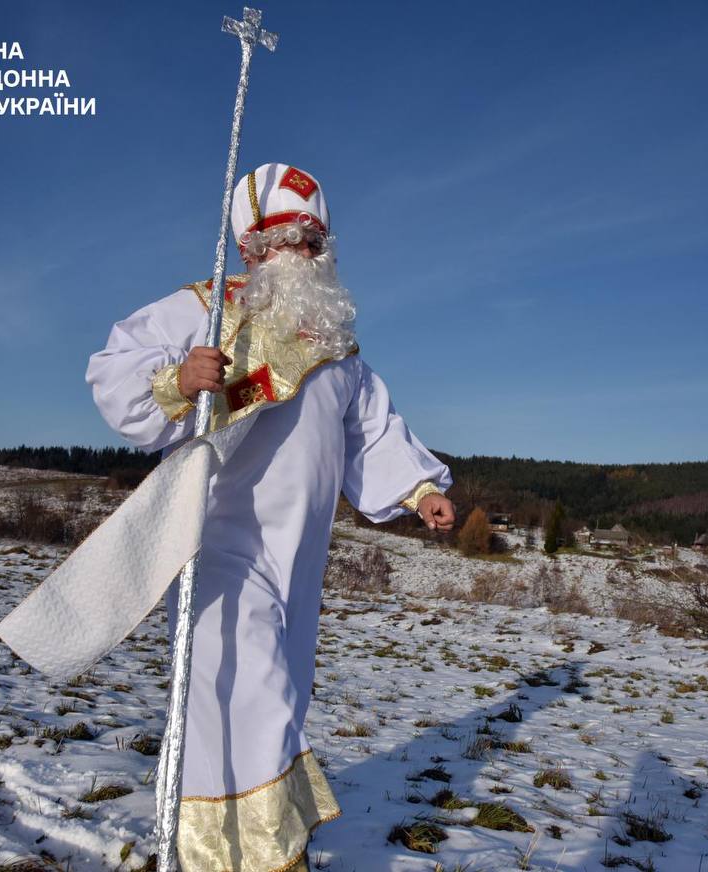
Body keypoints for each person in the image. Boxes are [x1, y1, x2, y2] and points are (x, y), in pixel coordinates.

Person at [85, 163, 455, 872]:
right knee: (241, 687)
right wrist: (177, 381)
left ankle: (257, 841)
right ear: (252, 248)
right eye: (289, 239)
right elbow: (114, 365)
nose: (306, 255)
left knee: (277, 694)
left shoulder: (339, 347)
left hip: (302, 559)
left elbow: (371, 431)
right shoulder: (207, 308)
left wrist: (418, 489)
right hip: (223, 542)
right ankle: (237, 856)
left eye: (316, 241)